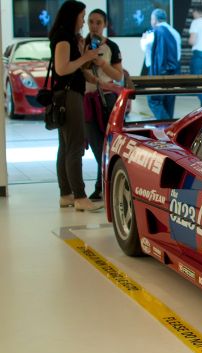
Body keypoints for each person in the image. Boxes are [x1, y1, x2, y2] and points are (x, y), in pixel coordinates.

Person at [48, 0, 102, 211]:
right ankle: (79, 196)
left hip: (67, 94)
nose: (84, 21)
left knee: (66, 146)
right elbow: (62, 69)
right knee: (75, 146)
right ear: (73, 16)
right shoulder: (63, 38)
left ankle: (66, 194)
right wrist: (85, 57)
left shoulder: (69, 38)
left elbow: (74, 67)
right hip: (69, 96)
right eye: (82, 16)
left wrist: (85, 61)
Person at [83, 8, 124, 202]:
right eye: (91, 22)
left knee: (109, 145)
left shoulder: (111, 47)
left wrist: (102, 63)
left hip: (107, 99)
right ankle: (102, 186)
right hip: (88, 99)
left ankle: (103, 187)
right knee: (96, 145)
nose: (94, 26)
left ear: (105, 24)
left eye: (98, 22)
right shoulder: (82, 44)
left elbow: (118, 75)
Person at [145, 9, 180, 120]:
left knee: (154, 100)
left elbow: (146, 47)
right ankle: (168, 127)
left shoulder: (156, 32)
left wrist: (144, 38)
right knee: (168, 102)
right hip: (173, 71)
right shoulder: (175, 32)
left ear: (154, 20)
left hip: (159, 71)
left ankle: (167, 125)